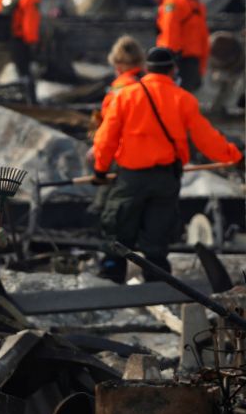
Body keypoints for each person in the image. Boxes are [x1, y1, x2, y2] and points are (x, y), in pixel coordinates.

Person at [93, 48, 243, 282]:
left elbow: (106, 138)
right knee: (157, 238)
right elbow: (207, 139)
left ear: (147, 69)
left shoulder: (126, 96)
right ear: (173, 69)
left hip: (130, 177)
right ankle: (157, 288)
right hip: (165, 179)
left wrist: (101, 170)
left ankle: (111, 280)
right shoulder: (183, 99)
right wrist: (235, 157)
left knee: (118, 231)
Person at [88, 36, 146, 215]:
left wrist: (99, 167)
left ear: (118, 65)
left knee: (105, 207)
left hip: (123, 157)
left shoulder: (119, 90)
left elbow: (109, 132)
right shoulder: (150, 84)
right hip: (153, 159)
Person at [0, 0, 48, 102]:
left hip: (1, 41)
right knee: (25, 75)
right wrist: (33, 44)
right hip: (20, 41)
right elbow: (30, 24)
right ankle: (29, 102)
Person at [154, 0, 209, 92]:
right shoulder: (195, 2)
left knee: (170, 101)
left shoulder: (172, 0)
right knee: (186, 101)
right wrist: (202, 67)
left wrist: (165, 62)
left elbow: (169, 31)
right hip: (194, 62)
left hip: (177, 61)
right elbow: (204, 37)